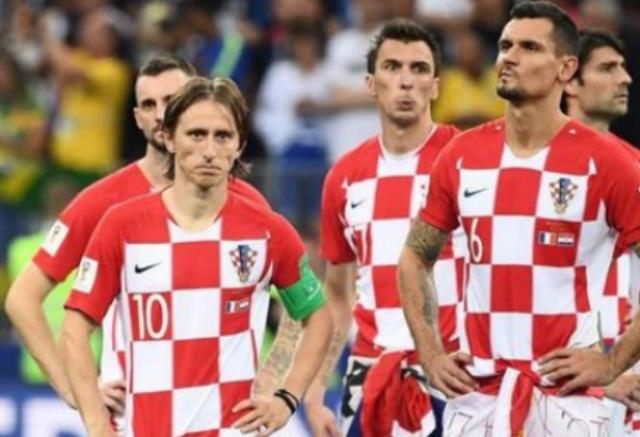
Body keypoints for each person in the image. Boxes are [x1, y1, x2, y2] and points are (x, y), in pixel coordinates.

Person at [397, 2, 640, 436]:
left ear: (566, 69)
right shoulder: (462, 154)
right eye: (505, 45)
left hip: (567, 403)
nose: (509, 57)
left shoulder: (608, 162)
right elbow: (415, 256)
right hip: (477, 398)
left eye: (529, 47)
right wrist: (430, 354)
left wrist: (612, 362)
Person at [61, 76, 333, 436]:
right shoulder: (122, 225)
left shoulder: (268, 231)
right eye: (196, 134)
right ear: (169, 138)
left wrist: (286, 397)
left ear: (239, 145)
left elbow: (318, 317)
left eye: (223, 136)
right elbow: (74, 327)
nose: (209, 150)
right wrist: (97, 425)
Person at [3, 55, 268, 419]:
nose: (160, 114)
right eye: (148, 104)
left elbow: (301, 303)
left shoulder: (245, 201)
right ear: (137, 117)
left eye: (170, 100)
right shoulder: (103, 202)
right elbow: (22, 299)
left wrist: (276, 385)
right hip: (137, 417)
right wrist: (74, 389)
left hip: (226, 419)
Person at [258, 19, 466, 436]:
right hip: (372, 376)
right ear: (371, 84)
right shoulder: (344, 176)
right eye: (392, 67)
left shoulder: (467, 159)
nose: (405, 81)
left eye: (419, 69)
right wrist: (316, 392)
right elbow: (338, 293)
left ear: (435, 86)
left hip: (455, 375)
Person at [564, 28, 640, 434]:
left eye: (623, 68)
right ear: (570, 80)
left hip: (628, 372)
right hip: (553, 372)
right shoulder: (530, 166)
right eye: (608, 68)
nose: (625, 78)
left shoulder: (636, 168)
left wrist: (615, 366)